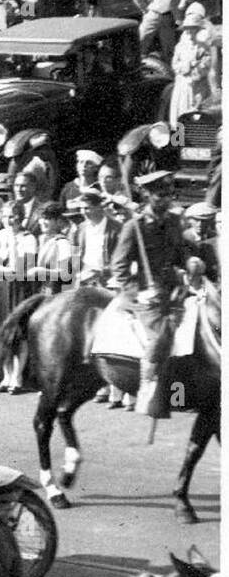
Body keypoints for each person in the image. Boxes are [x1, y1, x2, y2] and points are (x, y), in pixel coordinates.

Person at [108, 170, 190, 417]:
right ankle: (146, 388)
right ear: (146, 195)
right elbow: (119, 267)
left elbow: (181, 255)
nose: (164, 200)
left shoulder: (175, 222)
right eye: (158, 196)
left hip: (174, 291)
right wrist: (138, 293)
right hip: (146, 297)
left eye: (167, 195)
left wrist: (187, 270)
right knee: (160, 335)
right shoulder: (134, 227)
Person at [169, 12, 216, 125]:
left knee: (196, 116)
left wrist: (194, 70)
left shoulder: (204, 47)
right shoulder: (181, 46)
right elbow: (175, 64)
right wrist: (189, 65)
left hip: (198, 87)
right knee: (179, 116)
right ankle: (178, 140)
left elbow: (206, 66)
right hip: (182, 85)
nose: (189, 32)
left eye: (192, 28)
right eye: (187, 29)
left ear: (198, 29)